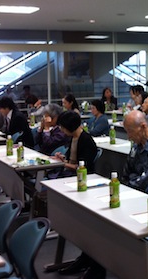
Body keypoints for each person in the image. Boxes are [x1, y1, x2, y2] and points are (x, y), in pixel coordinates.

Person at [55, 111, 103, 279]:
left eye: (62, 127)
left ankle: (91, 261)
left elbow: (83, 167)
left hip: (85, 182)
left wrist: (65, 164)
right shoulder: (73, 138)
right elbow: (72, 159)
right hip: (72, 179)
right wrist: (63, 159)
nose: (61, 130)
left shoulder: (86, 140)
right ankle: (85, 257)